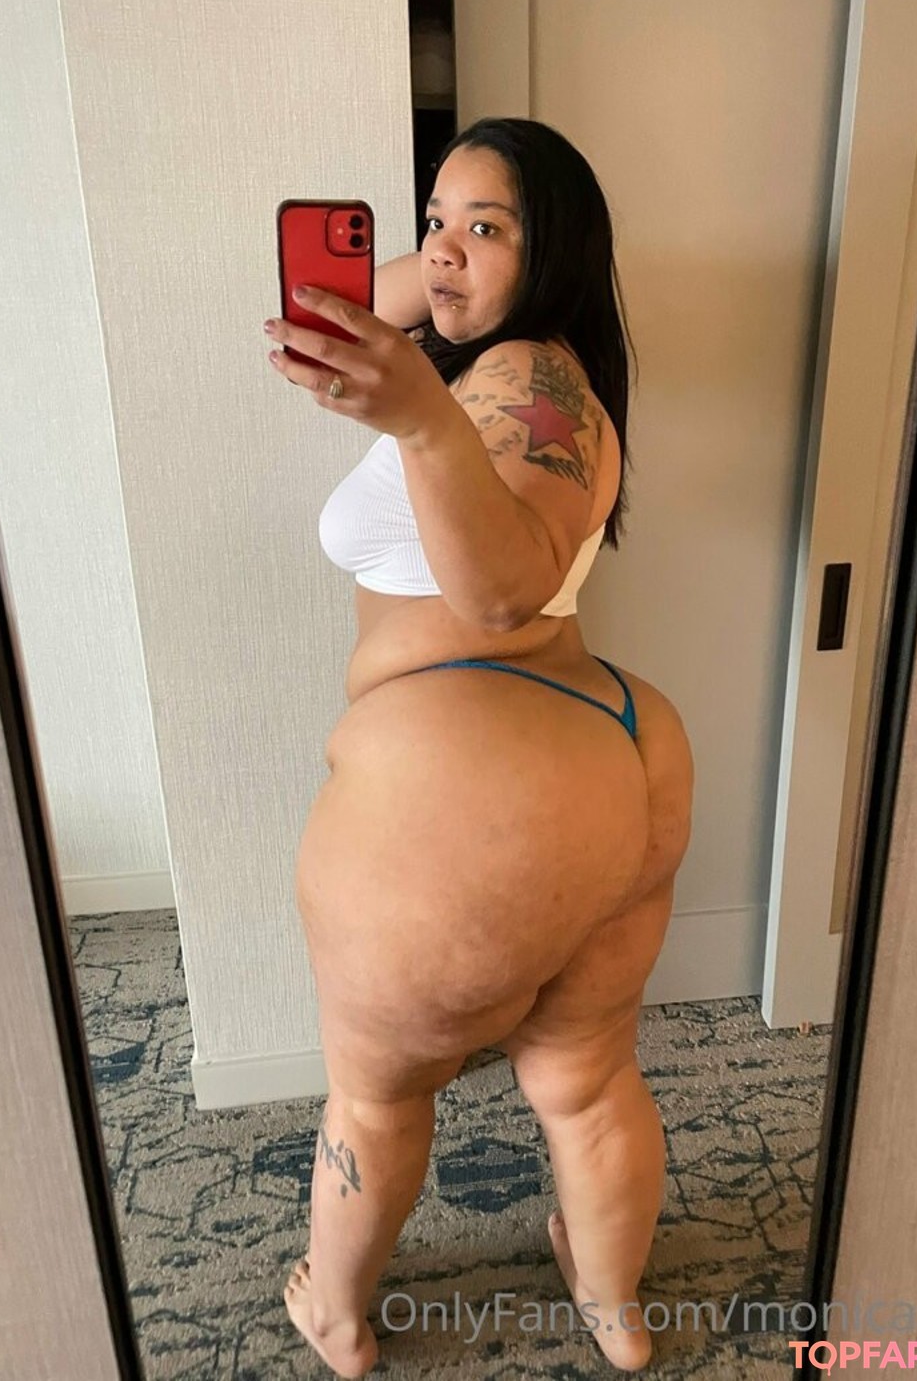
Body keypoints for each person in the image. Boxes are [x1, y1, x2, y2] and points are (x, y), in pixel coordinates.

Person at [263, 117, 694, 1376]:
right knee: (587, 1080)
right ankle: (614, 1308)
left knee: (378, 1094)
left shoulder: (529, 390)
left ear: (550, 250)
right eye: (434, 218)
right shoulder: (520, 361)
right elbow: (360, 302)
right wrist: (442, 260)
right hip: (612, 759)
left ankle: (339, 1316)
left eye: (484, 226)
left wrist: (421, 422)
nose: (442, 249)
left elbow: (504, 590)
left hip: (466, 804)